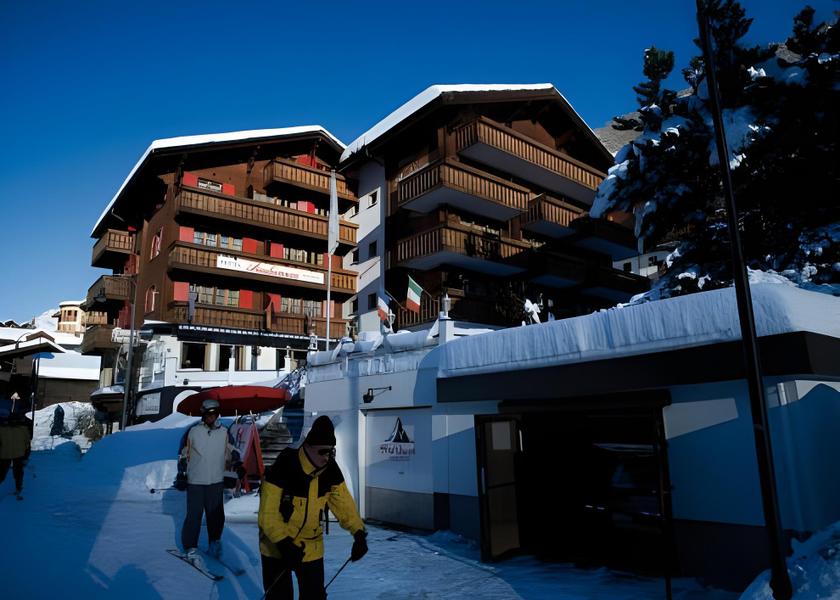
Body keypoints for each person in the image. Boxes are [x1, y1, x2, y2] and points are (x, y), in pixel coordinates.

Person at [258, 415, 368, 600]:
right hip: (276, 548)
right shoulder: (285, 465)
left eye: (331, 452)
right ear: (308, 447)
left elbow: (344, 504)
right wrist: (284, 544)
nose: (328, 457)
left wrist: (358, 533)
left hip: (310, 547)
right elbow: (267, 515)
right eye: (324, 452)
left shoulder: (330, 470)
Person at [176, 398, 240, 565]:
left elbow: (231, 450)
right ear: (203, 414)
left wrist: (236, 461)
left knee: (216, 516)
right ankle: (190, 547)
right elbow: (183, 454)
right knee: (194, 516)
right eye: (208, 415)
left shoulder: (225, 432)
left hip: (216, 481)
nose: (211, 417)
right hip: (196, 480)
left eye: (214, 414)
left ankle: (214, 543)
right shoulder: (193, 431)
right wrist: (181, 473)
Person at [0, 412, 32, 500]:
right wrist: (26, 455)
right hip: (19, 454)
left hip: (4, 454)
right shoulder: (24, 429)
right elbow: (27, 443)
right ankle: (18, 487)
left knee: (2, 472)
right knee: (18, 472)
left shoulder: (2, 429)